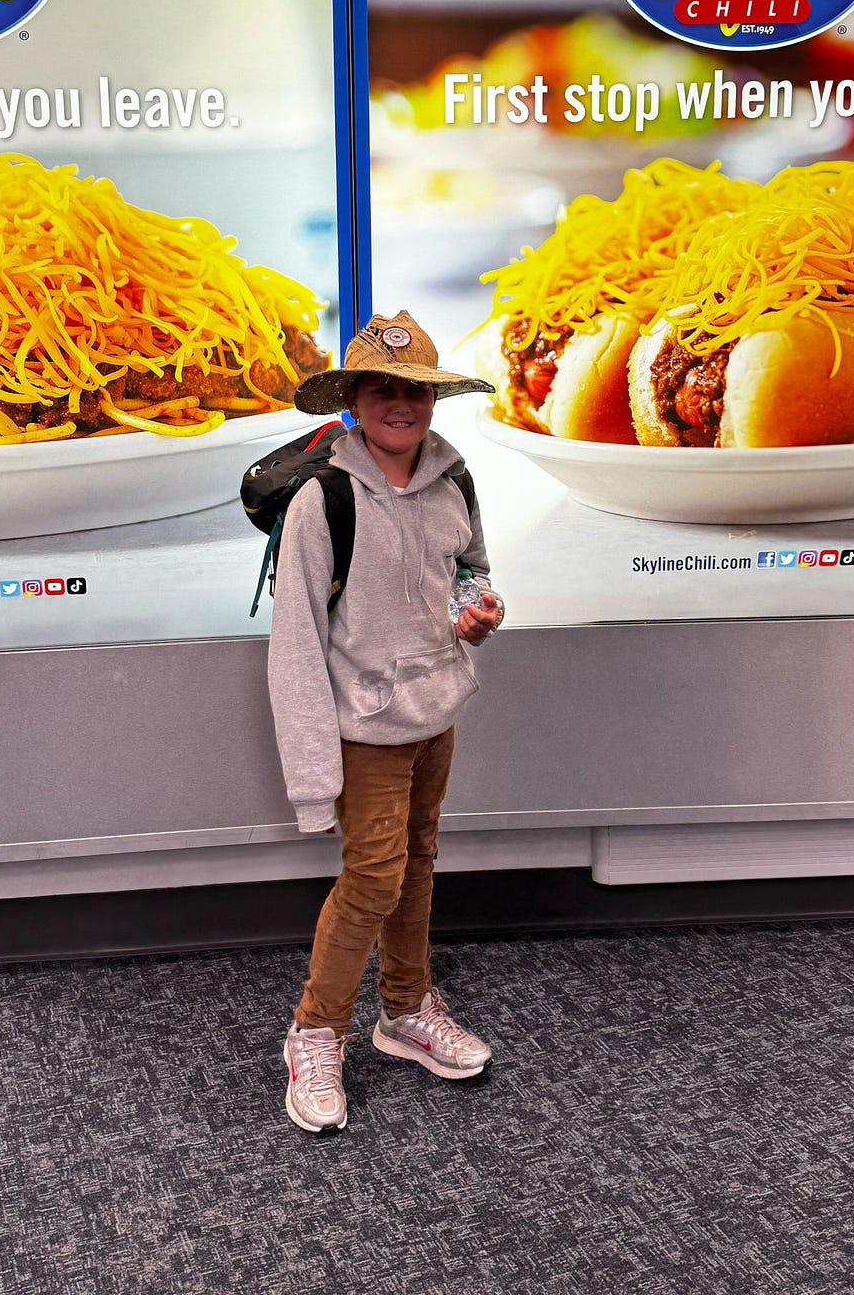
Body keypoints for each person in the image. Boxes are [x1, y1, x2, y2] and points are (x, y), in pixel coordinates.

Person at [267, 310, 504, 1134]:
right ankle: (316, 1032)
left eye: (415, 390)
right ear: (354, 402)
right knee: (374, 876)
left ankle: (405, 1008)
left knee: (418, 859)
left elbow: (466, 574)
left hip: (435, 712)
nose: (400, 404)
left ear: (433, 401)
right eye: (382, 389)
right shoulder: (321, 501)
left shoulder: (454, 480)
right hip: (364, 728)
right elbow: (295, 645)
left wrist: (474, 614)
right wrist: (310, 780)